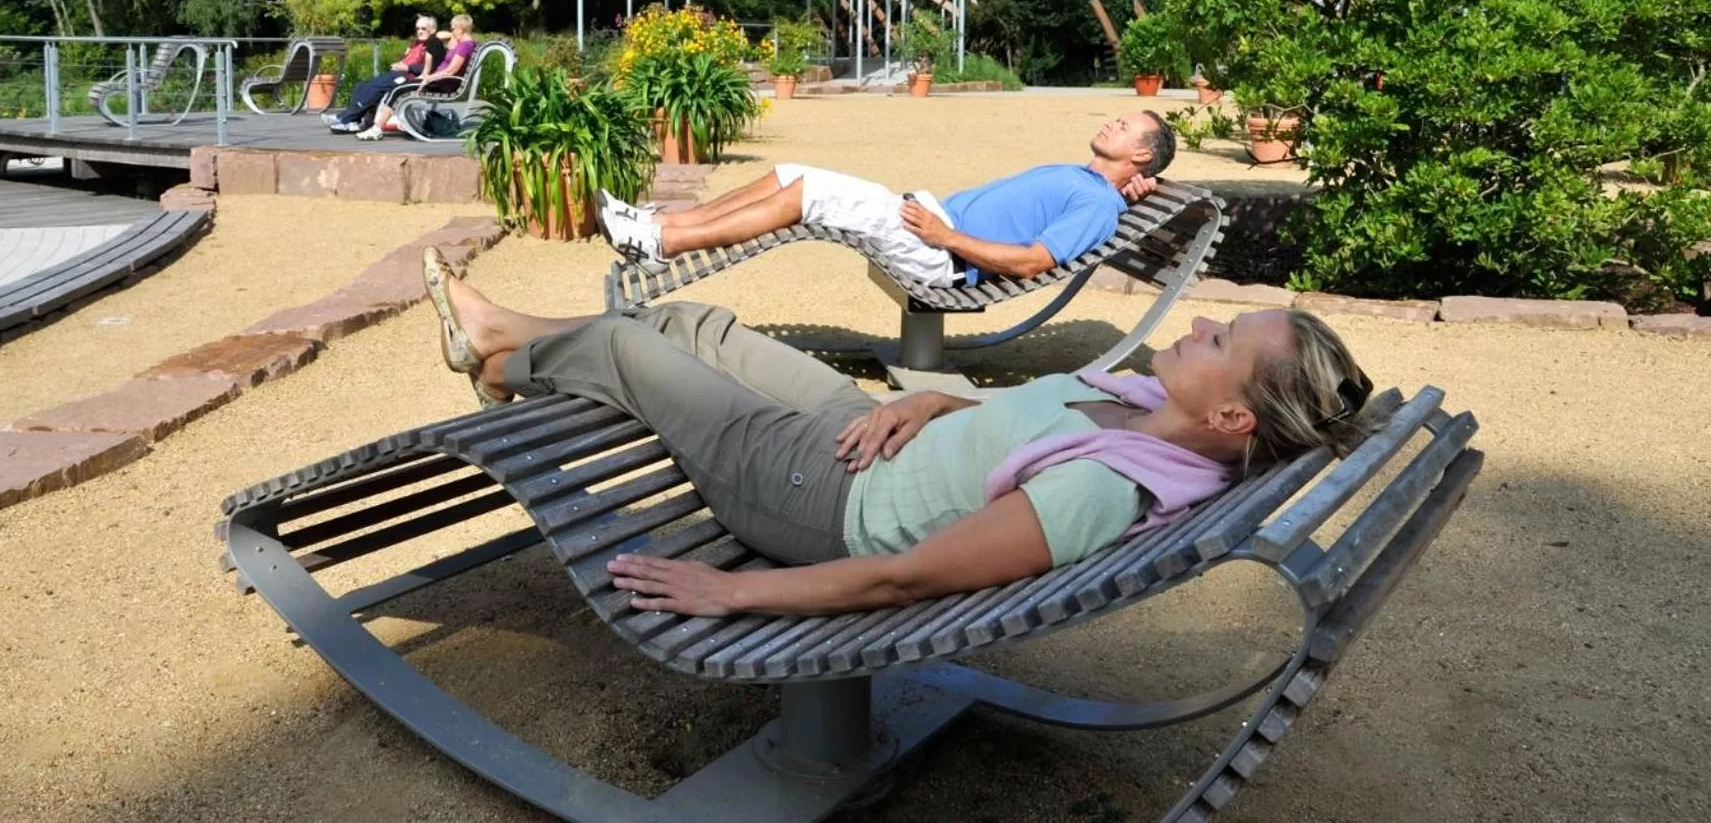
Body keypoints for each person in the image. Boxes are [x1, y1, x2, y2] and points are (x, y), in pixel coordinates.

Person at [420, 247, 1376, 619]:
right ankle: (501, 354)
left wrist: (729, 594)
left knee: (632, 342)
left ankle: (498, 352)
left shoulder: (1105, 489)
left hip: (822, 499)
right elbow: (1015, 428)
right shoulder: (1138, 399)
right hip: (868, 433)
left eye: (1223, 341)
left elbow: (905, 576)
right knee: (697, 324)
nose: (1201, 324)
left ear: (1232, 418)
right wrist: (933, 402)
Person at [597, 111, 1176, 285]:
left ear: (1142, 154)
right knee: (792, 171)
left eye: (1126, 126)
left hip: (942, 254)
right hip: (933, 224)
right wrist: (1130, 193)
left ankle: (662, 243)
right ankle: (667, 223)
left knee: (811, 193)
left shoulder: (1097, 205)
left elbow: (1033, 262)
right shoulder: (1097, 189)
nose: (1112, 122)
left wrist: (945, 236)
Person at [355, 14, 479, 141]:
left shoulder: (464, 46)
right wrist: (451, 34)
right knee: (397, 88)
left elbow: (451, 71)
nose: (451, 32)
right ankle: (383, 126)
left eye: (453, 29)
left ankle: (376, 129)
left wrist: (429, 78)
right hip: (439, 81)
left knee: (397, 90)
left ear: (460, 29)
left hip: (440, 84)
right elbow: (441, 35)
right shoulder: (464, 43)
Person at [326, 15, 445, 134]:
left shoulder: (434, 45)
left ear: (433, 30)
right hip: (400, 74)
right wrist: (400, 64)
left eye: (423, 29)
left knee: (375, 88)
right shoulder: (417, 44)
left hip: (410, 78)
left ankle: (346, 119)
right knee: (362, 85)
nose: (419, 31)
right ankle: (350, 118)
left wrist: (407, 67)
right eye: (418, 28)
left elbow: (430, 68)